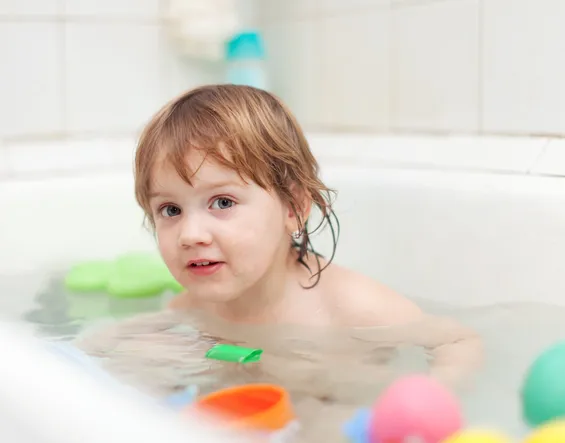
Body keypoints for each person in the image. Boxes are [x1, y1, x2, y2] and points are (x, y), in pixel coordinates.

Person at [133, 84, 482, 387]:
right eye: (170, 210)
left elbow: (456, 340)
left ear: (294, 207)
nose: (190, 235)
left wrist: (436, 391)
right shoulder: (195, 305)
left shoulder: (349, 306)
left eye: (222, 202)